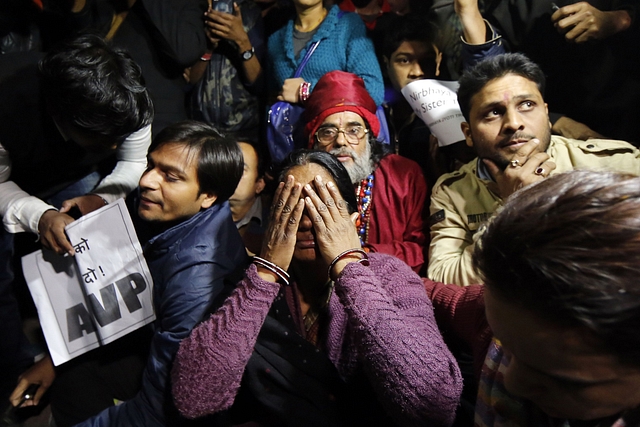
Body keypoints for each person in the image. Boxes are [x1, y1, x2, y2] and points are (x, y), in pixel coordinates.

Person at [171, 149, 462, 426]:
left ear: (353, 220)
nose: (308, 221)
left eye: (323, 205)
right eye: (293, 205)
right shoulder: (251, 284)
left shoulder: (389, 276)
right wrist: (267, 271)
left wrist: (348, 265)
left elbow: (433, 406)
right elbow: (194, 398)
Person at [10, 121, 247, 427]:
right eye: (151, 165)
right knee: (74, 378)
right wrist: (56, 360)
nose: (146, 181)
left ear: (208, 196)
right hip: (145, 336)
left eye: (171, 177)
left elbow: (159, 408)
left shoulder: (196, 283)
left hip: (178, 394)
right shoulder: (170, 207)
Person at [0, 33, 153, 407]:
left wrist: (101, 198)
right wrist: (40, 215)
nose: (117, 144)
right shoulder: (6, 102)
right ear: (65, 117)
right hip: (12, 175)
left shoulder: (126, 101)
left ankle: (75, 354)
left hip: (75, 178)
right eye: (106, 138)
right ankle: (18, 367)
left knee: (93, 251)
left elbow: (131, 162)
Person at [424, 169, 640, 426]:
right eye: (504, 346)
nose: (512, 383)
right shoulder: (513, 312)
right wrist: (364, 262)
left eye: (564, 380)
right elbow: (442, 296)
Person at [428, 53, 640, 286]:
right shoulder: (453, 192)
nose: (513, 123)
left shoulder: (614, 163)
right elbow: (444, 279)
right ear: (468, 134)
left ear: (547, 115)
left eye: (526, 105)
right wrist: (511, 209)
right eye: (493, 112)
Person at [304, 70, 428, 273]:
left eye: (354, 130)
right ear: (314, 140)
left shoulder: (405, 175)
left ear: (369, 136)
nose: (341, 141)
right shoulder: (302, 182)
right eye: (328, 132)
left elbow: (418, 250)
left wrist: (358, 254)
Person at [269, 0, 384, 107]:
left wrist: (305, 90)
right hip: (291, 128)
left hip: (336, 127)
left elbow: (373, 89)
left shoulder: (348, 26)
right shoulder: (274, 41)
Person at [186, 0, 265, 134]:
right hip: (201, 129)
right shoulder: (194, 11)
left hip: (244, 129)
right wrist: (208, 46)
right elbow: (190, 80)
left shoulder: (251, 13)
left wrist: (242, 40)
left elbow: (259, 83)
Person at [229, 139, 267, 255]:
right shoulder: (199, 214)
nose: (230, 173)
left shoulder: (271, 225)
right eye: (227, 165)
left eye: (241, 169)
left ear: (259, 184)